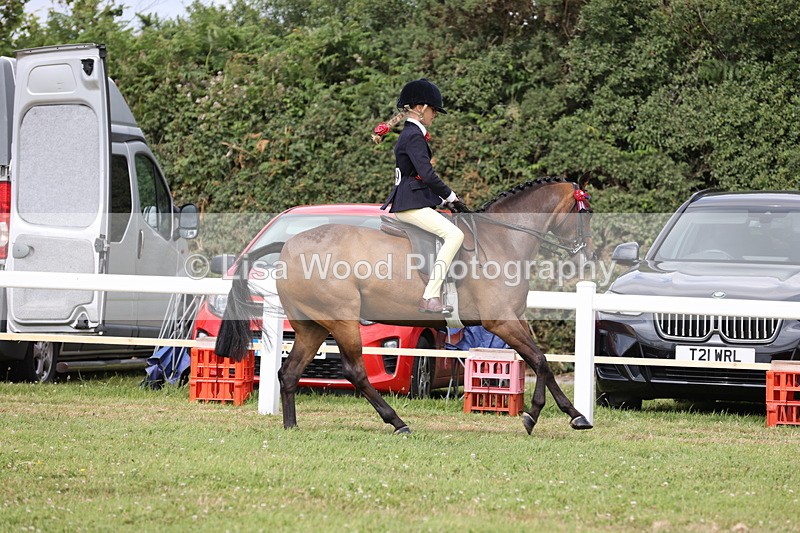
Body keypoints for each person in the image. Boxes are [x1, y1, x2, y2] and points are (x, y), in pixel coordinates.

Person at [375, 78, 465, 314]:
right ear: (422, 107)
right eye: (434, 110)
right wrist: (451, 195)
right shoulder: (414, 136)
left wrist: (442, 200)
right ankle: (430, 295)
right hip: (410, 204)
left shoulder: (409, 134)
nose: (435, 115)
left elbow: (417, 176)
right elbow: (426, 174)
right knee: (455, 235)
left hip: (411, 200)